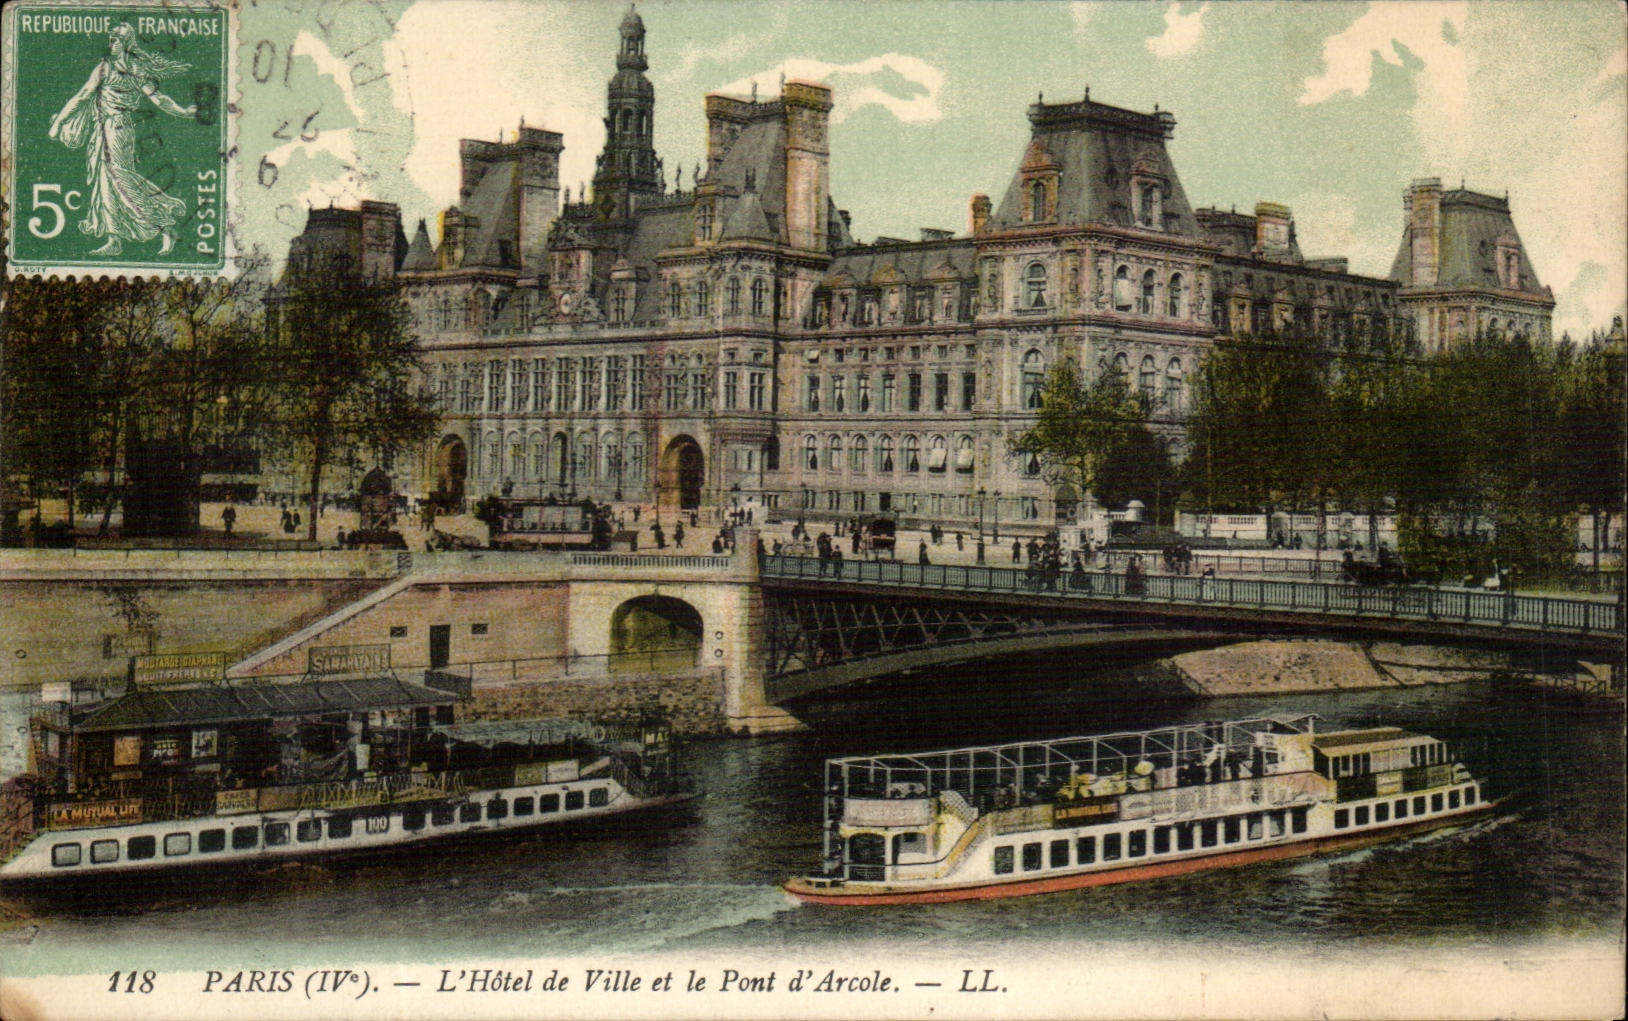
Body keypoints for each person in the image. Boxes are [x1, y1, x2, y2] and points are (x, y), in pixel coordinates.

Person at [48, 23, 199, 256]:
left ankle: (165, 225)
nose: (112, 43)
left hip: (117, 129)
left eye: (117, 39)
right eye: (111, 39)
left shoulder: (129, 69)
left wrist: (183, 112)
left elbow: (159, 99)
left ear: (127, 43)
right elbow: (83, 95)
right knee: (105, 182)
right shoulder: (106, 67)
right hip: (104, 129)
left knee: (121, 180)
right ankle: (114, 238)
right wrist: (59, 123)